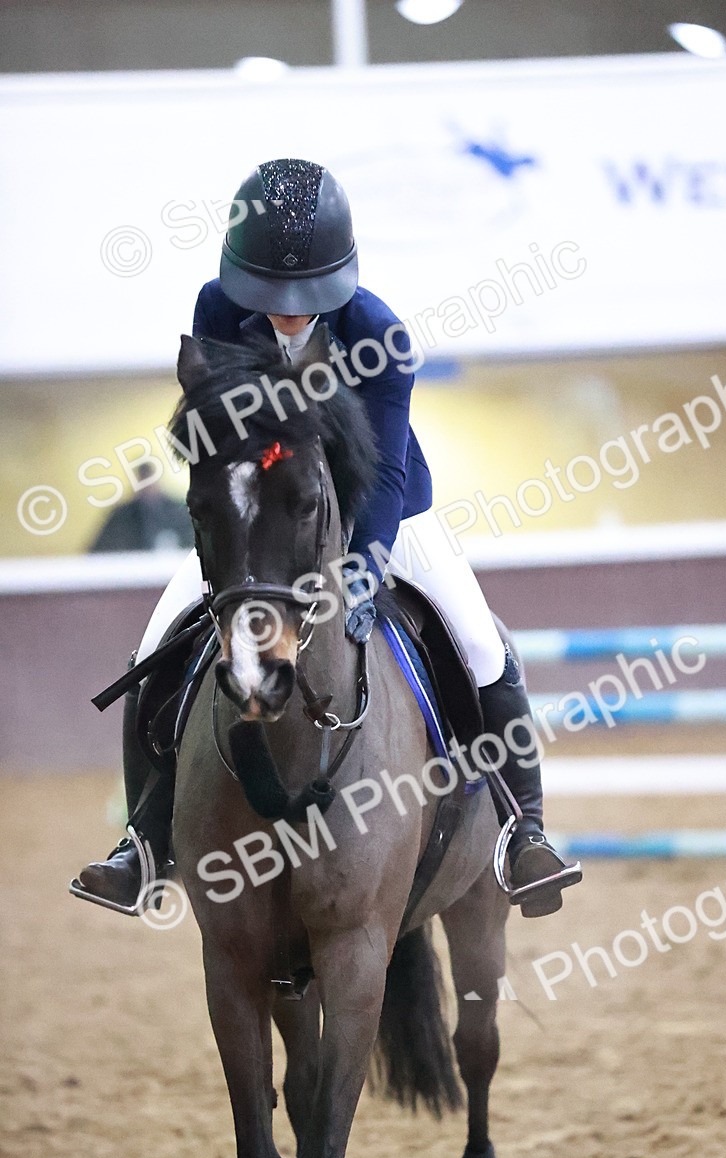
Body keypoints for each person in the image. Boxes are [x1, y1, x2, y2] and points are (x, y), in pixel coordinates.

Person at [73, 158, 581, 917]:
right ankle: (143, 841)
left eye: (300, 299)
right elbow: (219, 442)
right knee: (153, 649)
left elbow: (381, 476)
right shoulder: (217, 308)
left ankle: (522, 831)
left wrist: (364, 572)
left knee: (480, 644)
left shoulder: (380, 336)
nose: (283, 314)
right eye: (267, 298)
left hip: (389, 509)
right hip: (265, 527)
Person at [89, 464, 194, 553]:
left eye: (150, 480)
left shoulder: (179, 511)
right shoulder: (121, 516)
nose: (147, 487)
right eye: (143, 481)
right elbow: (99, 551)